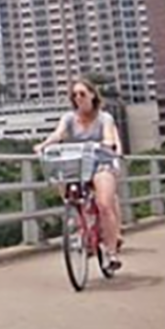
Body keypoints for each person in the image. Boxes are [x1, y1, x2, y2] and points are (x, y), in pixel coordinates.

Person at [39, 77, 125, 273]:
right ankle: (80, 226)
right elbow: (58, 134)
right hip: (78, 164)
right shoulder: (69, 118)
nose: (78, 98)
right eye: (75, 95)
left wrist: (108, 144)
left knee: (104, 204)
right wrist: (44, 145)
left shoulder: (104, 118)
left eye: (82, 94)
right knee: (65, 185)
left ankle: (111, 252)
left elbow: (109, 137)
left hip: (101, 161)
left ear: (93, 96)